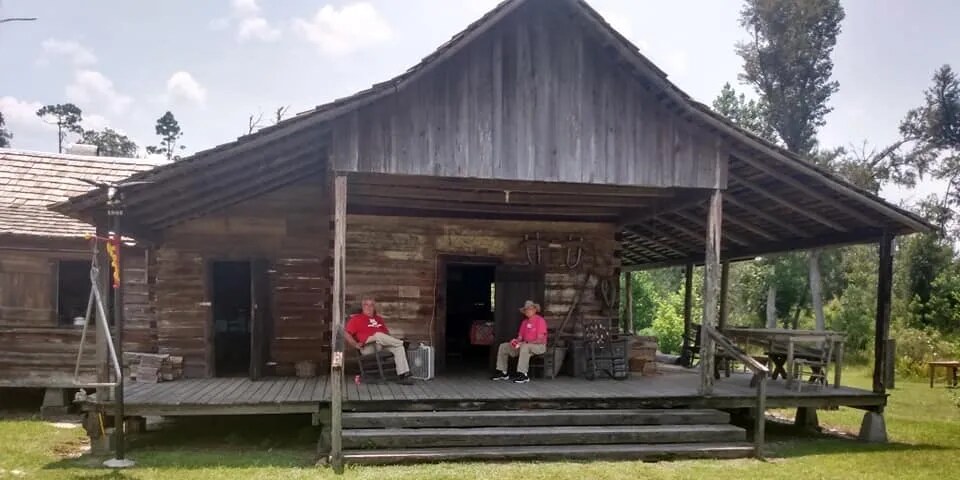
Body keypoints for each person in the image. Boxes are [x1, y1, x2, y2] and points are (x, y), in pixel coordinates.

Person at [345, 297, 414, 384]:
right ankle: (402, 343)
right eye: (366, 305)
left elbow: (387, 335)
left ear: (374, 307)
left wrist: (390, 341)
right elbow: (347, 333)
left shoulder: (379, 319)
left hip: (381, 344)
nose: (369, 307)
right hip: (367, 346)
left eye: (371, 305)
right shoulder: (356, 319)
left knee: (398, 348)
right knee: (378, 335)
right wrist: (355, 344)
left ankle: (403, 375)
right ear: (362, 307)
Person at [491, 300, 548, 384]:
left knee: (525, 347)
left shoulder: (540, 321)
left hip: (539, 346)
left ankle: (523, 375)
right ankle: (503, 373)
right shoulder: (524, 322)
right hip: (524, 346)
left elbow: (539, 339)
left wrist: (526, 343)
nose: (528, 311)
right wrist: (515, 341)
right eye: (526, 310)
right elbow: (520, 337)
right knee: (503, 346)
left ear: (535, 310)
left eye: (530, 309)